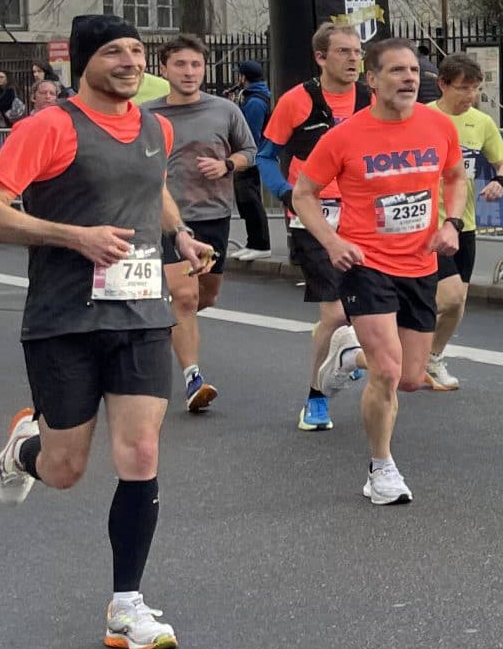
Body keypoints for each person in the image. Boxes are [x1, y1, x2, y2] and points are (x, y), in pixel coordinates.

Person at [0, 16, 203, 649]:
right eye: (114, 53)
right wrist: (76, 236)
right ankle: (26, 450)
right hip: (64, 317)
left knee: (141, 453)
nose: (130, 62)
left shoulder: (156, 125)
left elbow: (153, 192)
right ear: (84, 63)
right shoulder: (48, 126)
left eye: (136, 51)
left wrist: (179, 235)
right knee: (66, 469)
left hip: (140, 312)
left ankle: (126, 605)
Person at [292, 38, 466, 506]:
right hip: (365, 262)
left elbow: (454, 177)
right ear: (371, 80)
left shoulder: (438, 126)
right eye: (396, 71)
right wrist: (332, 242)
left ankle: (348, 356)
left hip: (420, 262)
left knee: (411, 378)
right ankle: (381, 467)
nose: (410, 78)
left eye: (414, 70)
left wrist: (452, 222)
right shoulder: (345, 136)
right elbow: (303, 193)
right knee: (388, 373)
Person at [263, 21, 366, 431]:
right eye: (343, 52)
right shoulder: (297, 101)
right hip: (313, 215)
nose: (354, 59)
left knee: (369, 310)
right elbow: (266, 156)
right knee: (337, 312)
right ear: (321, 57)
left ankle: (348, 359)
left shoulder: (370, 100)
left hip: (362, 216)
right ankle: (316, 397)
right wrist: (288, 195)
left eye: (357, 52)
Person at [152, 36, 256, 415]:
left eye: (196, 65)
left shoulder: (225, 109)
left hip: (213, 213)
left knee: (206, 296)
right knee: (185, 297)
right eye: (180, 64)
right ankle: (193, 378)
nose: (189, 72)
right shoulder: (147, 115)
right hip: (165, 218)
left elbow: (250, 151)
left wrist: (226, 165)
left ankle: (163, 326)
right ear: (164, 69)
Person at [427, 54, 503, 392]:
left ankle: (432, 356)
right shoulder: (424, 118)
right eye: (463, 88)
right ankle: (408, 343)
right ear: (443, 85)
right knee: (447, 298)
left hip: (465, 224)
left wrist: (500, 183)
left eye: (475, 89)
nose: (470, 96)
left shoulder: (481, 122)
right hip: (428, 225)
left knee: (457, 301)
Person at [228, 59, 274, 258]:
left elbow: (250, 132)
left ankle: (261, 245)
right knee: (245, 201)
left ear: (243, 77)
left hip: (250, 157)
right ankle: (252, 242)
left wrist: (245, 155)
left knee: (250, 200)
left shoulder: (255, 102)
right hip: (248, 155)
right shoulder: (251, 96)